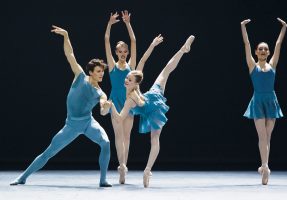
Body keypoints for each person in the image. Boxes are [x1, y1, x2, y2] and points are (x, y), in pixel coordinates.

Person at [10, 25, 112, 187]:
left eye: (102, 72)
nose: (101, 74)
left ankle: (103, 179)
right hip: (71, 125)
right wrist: (66, 35)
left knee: (105, 143)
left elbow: (103, 110)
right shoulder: (79, 76)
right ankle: (22, 177)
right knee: (48, 153)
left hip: (88, 123)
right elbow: (70, 54)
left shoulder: (101, 93)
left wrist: (106, 107)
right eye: (99, 71)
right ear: (91, 71)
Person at [111, 35, 195, 187]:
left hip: (150, 104)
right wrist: (152, 45)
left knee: (154, 141)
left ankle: (147, 171)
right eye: (126, 78)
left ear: (134, 82)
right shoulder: (133, 92)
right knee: (165, 71)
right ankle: (147, 170)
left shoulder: (130, 98)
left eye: (128, 79)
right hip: (152, 101)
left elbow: (120, 116)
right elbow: (142, 60)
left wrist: (152, 45)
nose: (125, 80)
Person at [241, 18, 287, 185]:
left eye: (265, 49)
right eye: (260, 49)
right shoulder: (252, 66)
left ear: (268, 53)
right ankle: (266, 167)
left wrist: (284, 28)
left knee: (267, 137)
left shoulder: (273, 64)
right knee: (262, 136)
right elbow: (246, 44)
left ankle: (264, 166)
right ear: (256, 52)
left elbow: (278, 43)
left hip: (271, 101)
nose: (262, 51)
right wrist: (242, 27)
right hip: (258, 101)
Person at [104, 10, 138, 184]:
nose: (123, 53)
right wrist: (110, 24)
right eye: (120, 51)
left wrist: (127, 23)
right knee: (118, 136)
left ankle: (123, 166)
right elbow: (107, 40)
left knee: (127, 137)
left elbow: (133, 41)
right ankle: (122, 166)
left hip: (128, 101)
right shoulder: (112, 66)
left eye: (125, 51)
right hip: (115, 102)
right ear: (116, 53)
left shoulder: (131, 65)